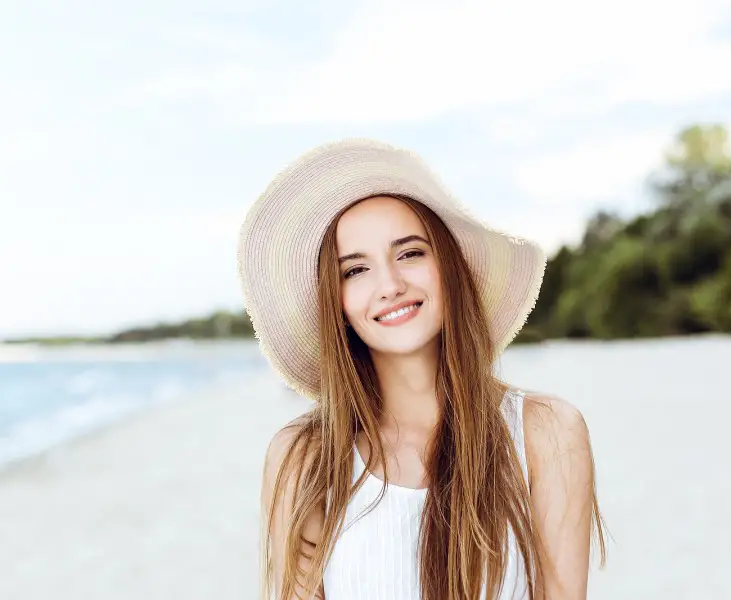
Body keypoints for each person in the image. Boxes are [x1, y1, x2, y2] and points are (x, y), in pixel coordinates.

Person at [236, 139, 608, 600]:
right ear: (336, 303)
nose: (390, 285)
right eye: (355, 270)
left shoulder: (545, 433)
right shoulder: (306, 457)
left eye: (410, 253)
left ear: (449, 267)